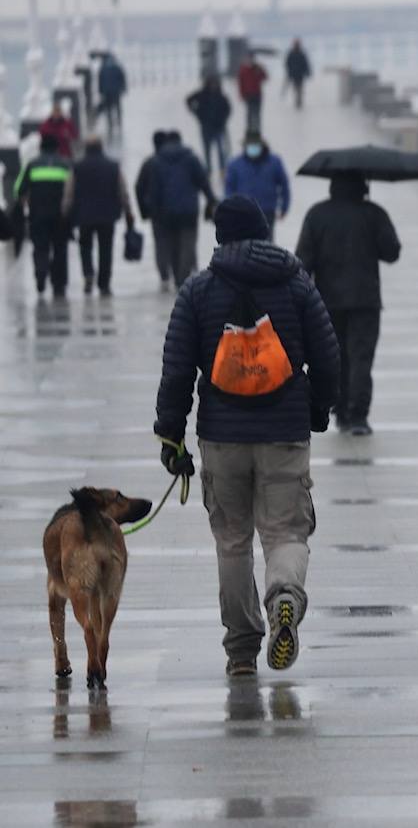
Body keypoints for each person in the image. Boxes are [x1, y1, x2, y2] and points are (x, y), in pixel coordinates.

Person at [154, 196, 340, 677]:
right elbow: (328, 357)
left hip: (222, 435)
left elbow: (176, 371)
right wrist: (317, 409)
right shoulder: (297, 284)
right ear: (264, 234)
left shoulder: (197, 291)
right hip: (284, 432)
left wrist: (171, 434)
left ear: (219, 237)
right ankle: (283, 597)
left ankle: (241, 652)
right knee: (286, 532)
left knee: (233, 542)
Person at [295, 175, 400, 436]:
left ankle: (340, 410)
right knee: (361, 357)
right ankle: (358, 416)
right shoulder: (373, 213)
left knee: (335, 357)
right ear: (363, 185)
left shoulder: (317, 214)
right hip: (365, 301)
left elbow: (302, 261)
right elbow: (392, 252)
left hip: (327, 302)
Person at [65, 135, 134, 296]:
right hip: (107, 215)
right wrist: (128, 211)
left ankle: (88, 273)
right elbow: (122, 191)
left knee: (85, 247)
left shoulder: (77, 167)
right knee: (106, 249)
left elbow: (69, 192)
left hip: (84, 215)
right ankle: (104, 282)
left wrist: (65, 212)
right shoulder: (112, 166)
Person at [147, 131, 218, 287]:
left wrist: (154, 211)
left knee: (172, 244)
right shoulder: (191, 159)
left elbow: (154, 190)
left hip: (167, 210)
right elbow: (203, 181)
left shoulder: (157, 161)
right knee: (188, 243)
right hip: (189, 209)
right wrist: (211, 200)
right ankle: (183, 276)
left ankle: (176, 272)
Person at [13, 133, 74, 297]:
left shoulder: (32, 165)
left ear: (40, 147)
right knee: (60, 249)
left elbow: (18, 189)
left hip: (38, 215)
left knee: (40, 247)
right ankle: (59, 284)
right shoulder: (65, 165)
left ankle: (41, 274)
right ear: (57, 147)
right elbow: (73, 191)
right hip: (61, 216)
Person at [223, 131, 290, 240]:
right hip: (243, 213)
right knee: (244, 244)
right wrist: (230, 210)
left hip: (267, 211)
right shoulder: (235, 164)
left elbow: (284, 184)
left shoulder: (274, 162)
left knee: (267, 244)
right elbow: (229, 188)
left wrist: (284, 207)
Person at [136, 130, 175, 290]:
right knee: (174, 240)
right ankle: (177, 269)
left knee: (160, 242)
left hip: (156, 211)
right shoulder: (173, 162)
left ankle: (164, 273)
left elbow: (139, 187)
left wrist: (144, 210)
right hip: (174, 209)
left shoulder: (149, 163)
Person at [186, 75, 233, 175]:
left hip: (219, 127)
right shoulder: (201, 95)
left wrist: (223, 120)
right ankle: (208, 169)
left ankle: (222, 169)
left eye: (215, 84)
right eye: (211, 84)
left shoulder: (221, 96)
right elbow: (189, 100)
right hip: (206, 127)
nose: (213, 86)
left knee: (221, 150)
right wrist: (196, 113)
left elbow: (228, 109)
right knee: (207, 150)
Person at [97, 54, 128, 139]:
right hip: (116, 90)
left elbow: (100, 80)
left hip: (107, 91)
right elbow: (122, 78)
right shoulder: (117, 67)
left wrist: (100, 91)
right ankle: (119, 121)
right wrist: (124, 88)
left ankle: (110, 122)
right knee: (117, 106)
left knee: (108, 107)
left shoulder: (103, 69)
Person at [237, 54, 268, 133]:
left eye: (251, 59)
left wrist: (260, 71)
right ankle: (250, 129)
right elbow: (240, 83)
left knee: (257, 112)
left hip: (257, 94)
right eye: (248, 59)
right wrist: (241, 94)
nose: (249, 61)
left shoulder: (257, 68)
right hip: (248, 95)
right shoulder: (243, 69)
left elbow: (265, 77)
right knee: (250, 112)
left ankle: (257, 129)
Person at [284, 39, 311, 110]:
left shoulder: (301, 53)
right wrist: (289, 72)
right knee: (296, 87)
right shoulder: (291, 53)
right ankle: (298, 99)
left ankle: (299, 100)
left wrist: (307, 72)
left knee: (300, 87)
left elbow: (305, 63)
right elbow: (287, 64)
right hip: (294, 73)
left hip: (300, 73)